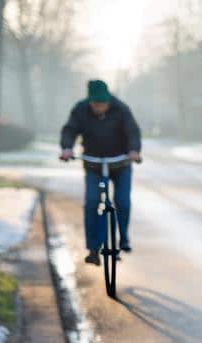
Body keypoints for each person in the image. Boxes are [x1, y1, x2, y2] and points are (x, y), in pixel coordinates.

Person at [59, 79, 142, 265]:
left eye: (103, 104)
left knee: (122, 201)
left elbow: (132, 132)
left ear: (108, 101)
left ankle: (123, 239)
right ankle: (93, 248)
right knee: (92, 202)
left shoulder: (121, 109)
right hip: (94, 164)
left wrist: (134, 150)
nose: (99, 108)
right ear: (89, 101)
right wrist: (67, 148)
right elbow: (70, 130)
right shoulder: (80, 110)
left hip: (120, 163)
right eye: (96, 104)